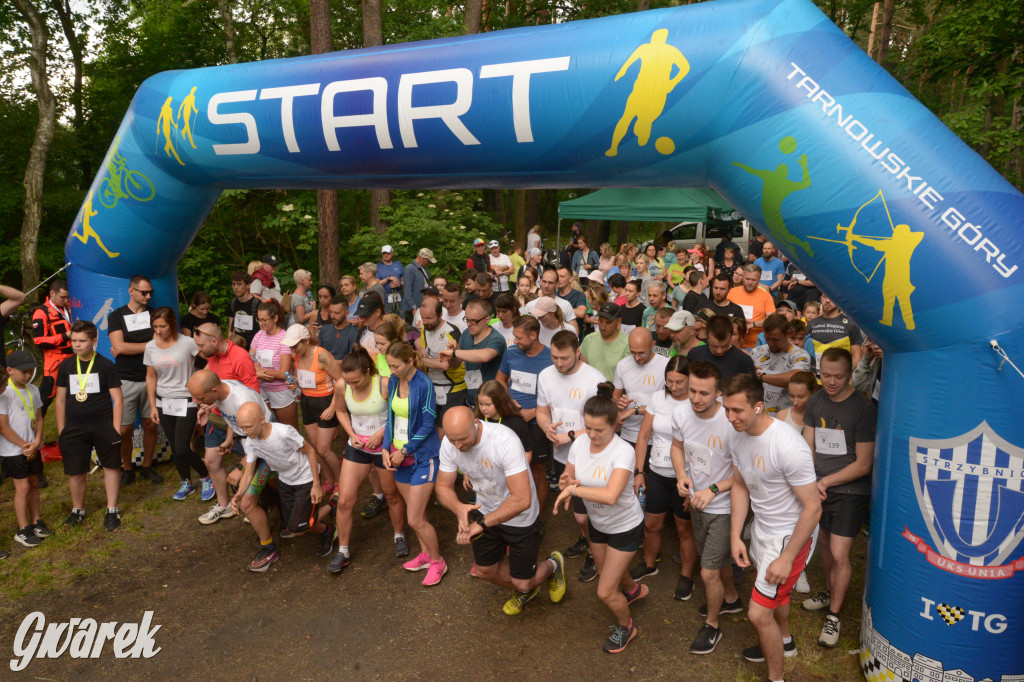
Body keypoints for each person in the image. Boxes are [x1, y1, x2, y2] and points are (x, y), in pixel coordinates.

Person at [723, 374, 820, 681]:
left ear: (759, 407)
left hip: (789, 536)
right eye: (726, 409)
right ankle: (785, 641)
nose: (730, 417)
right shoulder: (737, 436)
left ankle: (776, 678)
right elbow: (740, 484)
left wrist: (788, 557)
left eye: (737, 410)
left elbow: (813, 507)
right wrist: (736, 535)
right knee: (777, 595)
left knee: (758, 613)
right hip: (762, 530)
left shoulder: (789, 446)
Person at [436, 406, 566, 614]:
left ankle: (552, 566)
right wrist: (458, 507)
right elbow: (442, 486)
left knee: (523, 583)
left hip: (520, 517)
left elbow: (522, 499)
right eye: (452, 440)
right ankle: (524, 587)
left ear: (476, 423)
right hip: (485, 509)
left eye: (462, 439)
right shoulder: (450, 443)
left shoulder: (504, 441)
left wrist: (481, 523)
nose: (458, 446)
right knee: (484, 570)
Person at [553, 386, 647, 654]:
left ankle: (626, 627)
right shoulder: (581, 442)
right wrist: (566, 482)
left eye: (599, 430)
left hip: (625, 526)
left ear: (615, 425)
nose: (592, 435)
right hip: (598, 524)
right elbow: (570, 476)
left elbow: (611, 495)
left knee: (605, 590)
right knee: (611, 574)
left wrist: (573, 490)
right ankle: (632, 591)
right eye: (588, 428)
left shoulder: (623, 452)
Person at [800, 348, 876, 648]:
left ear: (850, 374)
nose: (831, 382)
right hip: (819, 486)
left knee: (840, 552)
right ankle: (831, 593)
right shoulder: (816, 400)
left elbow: (864, 464)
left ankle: (834, 614)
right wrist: (811, 480)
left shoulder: (863, 408)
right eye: (825, 375)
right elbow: (808, 444)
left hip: (849, 490)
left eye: (838, 377)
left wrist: (826, 481)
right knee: (826, 549)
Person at [669, 361, 743, 654]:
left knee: (708, 572)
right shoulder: (680, 413)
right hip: (697, 502)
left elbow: (743, 472)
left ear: (719, 392)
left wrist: (713, 490)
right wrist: (681, 476)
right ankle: (732, 599)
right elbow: (677, 446)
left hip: (724, 506)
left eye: (704, 393)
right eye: (692, 391)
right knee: (718, 562)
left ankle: (712, 626)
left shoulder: (732, 421)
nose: (696, 399)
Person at [536, 330, 608, 580]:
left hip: (590, 454)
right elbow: (542, 410)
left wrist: (572, 435)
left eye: (565, 358)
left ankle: (597, 552)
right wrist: (546, 426)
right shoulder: (545, 375)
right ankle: (588, 541)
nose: (558, 363)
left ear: (578, 352)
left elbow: (606, 423)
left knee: (586, 511)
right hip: (561, 454)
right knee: (580, 510)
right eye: (554, 357)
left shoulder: (594, 379)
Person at [329, 347, 409, 572]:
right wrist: (352, 434)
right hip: (358, 448)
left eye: (356, 381)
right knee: (344, 500)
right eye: (348, 381)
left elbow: (399, 413)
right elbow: (341, 411)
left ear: (367, 371)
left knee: (392, 495)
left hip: (383, 447)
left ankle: (399, 535)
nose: (352, 386)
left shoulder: (384, 384)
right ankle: (342, 551)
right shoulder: (341, 385)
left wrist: (381, 434)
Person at [234, 402, 333, 572]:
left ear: (262, 420)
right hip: (286, 480)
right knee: (292, 524)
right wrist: (239, 495)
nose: (245, 432)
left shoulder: (284, 432)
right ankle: (320, 512)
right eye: (241, 428)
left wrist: (316, 485)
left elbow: (310, 451)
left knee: (298, 528)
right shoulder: (250, 442)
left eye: (248, 427)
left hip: (305, 478)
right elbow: (249, 473)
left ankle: (329, 527)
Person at [630, 356, 698, 601]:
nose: (674, 386)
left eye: (680, 381)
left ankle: (687, 575)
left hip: (687, 477)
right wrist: (639, 472)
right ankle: (650, 563)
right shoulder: (658, 398)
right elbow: (643, 437)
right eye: (669, 381)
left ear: (691, 379)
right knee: (651, 523)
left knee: (684, 528)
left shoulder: (697, 402)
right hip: (658, 471)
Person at [382, 342, 447, 586]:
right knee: (415, 511)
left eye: (395, 366)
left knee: (415, 519)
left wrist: (406, 449)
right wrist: (386, 449)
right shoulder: (393, 381)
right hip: (398, 456)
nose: (391, 370)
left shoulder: (425, 384)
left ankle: (438, 562)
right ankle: (426, 555)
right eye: (389, 366)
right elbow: (391, 417)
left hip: (422, 457)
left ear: (410, 361)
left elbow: (429, 422)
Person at [55, 320, 124, 531]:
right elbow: (60, 400)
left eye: (82, 341)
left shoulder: (106, 365)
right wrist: (61, 429)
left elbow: (118, 399)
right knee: (76, 471)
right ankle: (78, 510)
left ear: (94, 341)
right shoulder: (66, 366)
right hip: (74, 426)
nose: (76, 345)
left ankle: (112, 509)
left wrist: (115, 428)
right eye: (73, 340)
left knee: (111, 466)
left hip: (102, 423)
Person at [186, 368, 272, 526]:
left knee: (251, 493)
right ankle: (258, 508)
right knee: (250, 489)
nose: (197, 402)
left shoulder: (243, 400)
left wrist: (241, 467)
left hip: (266, 442)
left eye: (200, 398)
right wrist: (229, 438)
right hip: (249, 439)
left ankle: (273, 521)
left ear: (213, 390)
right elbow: (232, 416)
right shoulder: (221, 390)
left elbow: (262, 438)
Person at [144, 307, 213, 502]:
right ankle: (186, 482)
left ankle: (206, 476)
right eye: (155, 326)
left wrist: (200, 380)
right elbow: (150, 376)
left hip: (186, 400)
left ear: (172, 324)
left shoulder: (188, 343)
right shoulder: (150, 346)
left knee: (182, 447)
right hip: (163, 401)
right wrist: (152, 405)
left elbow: (211, 358)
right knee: (175, 447)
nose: (159, 330)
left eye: (163, 326)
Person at [107, 275, 162, 485]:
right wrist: (150, 344)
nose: (148, 296)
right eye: (144, 292)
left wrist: (130, 347)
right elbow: (119, 346)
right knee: (124, 429)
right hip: (126, 379)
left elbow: (161, 342)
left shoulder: (154, 315)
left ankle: (147, 466)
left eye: (151, 293)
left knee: (150, 424)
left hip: (152, 377)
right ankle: (127, 468)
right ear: (131, 291)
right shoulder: (117, 315)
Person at [496, 315, 553, 509]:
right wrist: (508, 401)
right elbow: (500, 380)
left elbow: (557, 396)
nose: (515, 341)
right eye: (514, 337)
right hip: (511, 421)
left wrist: (535, 412)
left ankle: (538, 520)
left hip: (537, 424)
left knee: (537, 471)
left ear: (534, 335)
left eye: (519, 338)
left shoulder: (550, 358)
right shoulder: (511, 353)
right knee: (506, 467)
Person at [283, 323, 343, 488]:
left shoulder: (322, 356)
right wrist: (295, 382)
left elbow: (341, 381)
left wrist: (333, 408)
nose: (293, 350)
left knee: (324, 449)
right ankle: (328, 480)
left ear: (306, 341)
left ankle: (340, 481)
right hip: (307, 401)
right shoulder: (296, 355)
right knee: (316, 447)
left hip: (326, 402)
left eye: (295, 346)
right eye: (290, 347)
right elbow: (302, 376)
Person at [1, 350, 49, 547]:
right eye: (24, 372)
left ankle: (37, 521)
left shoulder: (33, 389)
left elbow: (39, 417)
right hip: (13, 450)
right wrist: (24, 445)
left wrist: (37, 442)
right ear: (10, 371)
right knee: (23, 487)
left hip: (32, 447)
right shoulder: (4, 392)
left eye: (31, 371)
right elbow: (3, 426)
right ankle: (23, 528)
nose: (28, 375)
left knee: (34, 482)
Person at [440, 299, 505, 405]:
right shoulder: (466, 334)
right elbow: (456, 363)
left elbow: (485, 356)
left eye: (474, 321)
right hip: (470, 398)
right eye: (467, 319)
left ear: (487, 319)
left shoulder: (496, 339)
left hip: (492, 401)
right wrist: (452, 355)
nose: (469, 324)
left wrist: (454, 353)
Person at [417, 297, 467, 428]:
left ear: (440, 314)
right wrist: (424, 360)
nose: (426, 322)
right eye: (423, 317)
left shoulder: (451, 333)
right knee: (431, 426)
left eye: (430, 318)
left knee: (446, 428)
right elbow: (423, 352)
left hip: (452, 387)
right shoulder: (425, 328)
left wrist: (420, 360)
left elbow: (445, 365)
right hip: (433, 385)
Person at [251, 300, 298, 428]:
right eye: (258, 320)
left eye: (264, 320)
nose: (260, 323)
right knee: (269, 429)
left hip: (281, 392)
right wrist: (257, 371)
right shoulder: (259, 335)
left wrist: (260, 373)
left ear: (275, 318)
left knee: (289, 430)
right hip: (263, 390)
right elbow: (250, 356)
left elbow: (284, 372)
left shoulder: (284, 338)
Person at [752, 314, 811, 415]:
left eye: (775, 339)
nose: (770, 343)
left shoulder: (800, 355)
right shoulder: (757, 352)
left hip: (786, 418)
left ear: (787, 334)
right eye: (767, 339)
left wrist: (760, 377)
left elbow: (795, 378)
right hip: (758, 416)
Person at [30, 279, 71, 418]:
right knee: (44, 400)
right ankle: (34, 435)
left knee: (75, 398)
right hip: (54, 361)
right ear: (52, 293)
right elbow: (39, 341)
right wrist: (65, 336)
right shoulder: (41, 312)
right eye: (62, 297)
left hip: (73, 358)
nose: (65, 300)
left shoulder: (70, 307)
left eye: (67, 297)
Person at [807, 293, 863, 371]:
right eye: (824, 297)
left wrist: (844, 374)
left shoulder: (851, 324)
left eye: (831, 297)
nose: (827, 301)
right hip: (814, 379)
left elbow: (856, 357)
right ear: (821, 299)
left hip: (839, 379)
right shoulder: (811, 324)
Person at [689, 316, 757, 380]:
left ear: (730, 336)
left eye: (724, 346)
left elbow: (752, 390)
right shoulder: (695, 354)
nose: (719, 351)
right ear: (707, 336)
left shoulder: (743, 361)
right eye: (715, 346)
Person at [727, 265, 776, 350]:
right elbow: (724, 313)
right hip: (732, 343)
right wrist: (739, 321)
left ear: (758, 280)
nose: (750, 282)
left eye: (753, 280)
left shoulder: (766, 296)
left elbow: (771, 320)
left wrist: (752, 324)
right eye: (747, 279)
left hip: (756, 344)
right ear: (743, 278)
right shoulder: (732, 292)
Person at [580, 303, 629, 382]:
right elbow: (583, 370)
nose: (603, 327)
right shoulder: (588, 339)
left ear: (618, 322)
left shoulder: (627, 344)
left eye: (608, 323)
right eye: (600, 321)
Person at [318, 296, 360, 361]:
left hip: (343, 369)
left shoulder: (353, 332)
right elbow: (318, 353)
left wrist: (330, 363)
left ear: (346, 314)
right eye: (331, 312)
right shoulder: (324, 330)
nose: (332, 316)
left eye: (336, 313)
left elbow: (352, 360)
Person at [227, 270, 260, 349]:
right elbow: (231, 329)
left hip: (254, 347)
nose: (236, 287)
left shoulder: (257, 304)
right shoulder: (233, 303)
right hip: (238, 347)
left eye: (239, 284)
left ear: (248, 285)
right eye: (233, 284)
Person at [401, 248, 435, 321]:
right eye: (428, 260)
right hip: (415, 309)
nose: (429, 263)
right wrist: (413, 308)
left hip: (424, 306)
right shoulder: (410, 269)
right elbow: (407, 290)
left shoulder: (424, 268)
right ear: (423, 258)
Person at [377, 245, 404, 314]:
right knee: (387, 319)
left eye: (388, 253)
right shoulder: (378, 266)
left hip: (399, 296)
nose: (386, 255)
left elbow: (404, 279)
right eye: (384, 253)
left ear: (392, 254)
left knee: (401, 318)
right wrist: (388, 278)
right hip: (385, 298)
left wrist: (399, 284)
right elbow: (377, 284)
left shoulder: (398, 264)